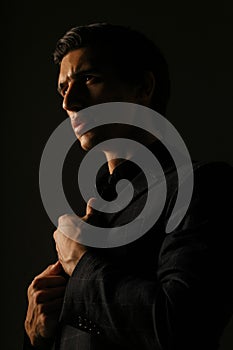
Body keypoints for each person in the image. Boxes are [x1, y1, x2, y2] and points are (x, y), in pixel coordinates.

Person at [23, 23, 233, 350]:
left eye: (89, 79)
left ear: (143, 87)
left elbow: (182, 330)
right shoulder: (95, 217)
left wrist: (80, 265)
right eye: (63, 88)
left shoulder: (201, 186)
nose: (69, 102)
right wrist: (37, 336)